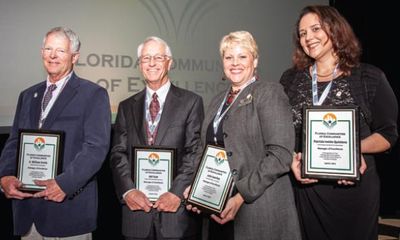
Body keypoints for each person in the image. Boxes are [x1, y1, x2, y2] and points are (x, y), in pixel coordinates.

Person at [280, 5, 398, 240]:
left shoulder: (369, 77)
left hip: (353, 191)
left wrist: (352, 150)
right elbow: (282, 134)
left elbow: (388, 134)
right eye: (303, 33)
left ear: (335, 30)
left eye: (315, 29)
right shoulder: (290, 79)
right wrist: (292, 158)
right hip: (306, 189)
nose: (308, 38)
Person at [185, 31, 301, 240]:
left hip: (259, 208)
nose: (235, 63)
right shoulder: (217, 100)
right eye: (229, 57)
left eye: (242, 56)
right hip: (216, 207)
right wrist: (196, 188)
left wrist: (240, 197)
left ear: (255, 60)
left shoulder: (269, 92)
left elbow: (280, 155)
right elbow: (206, 151)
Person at [0, 27, 111, 239]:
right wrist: (4, 175)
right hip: (27, 214)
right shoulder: (27, 95)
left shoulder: (93, 94)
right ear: (41, 52)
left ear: (74, 57)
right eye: (48, 49)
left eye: (60, 50)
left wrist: (65, 184)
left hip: (68, 211)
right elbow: (14, 141)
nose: (52, 55)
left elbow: (95, 148)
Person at [109, 36, 204, 240]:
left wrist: (176, 193)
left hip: (175, 216)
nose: (151, 63)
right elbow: (118, 153)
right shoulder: (126, 106)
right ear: (139, 64)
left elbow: (193, 152)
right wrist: (128, 191)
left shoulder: (191, 102)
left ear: (169, 62)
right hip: (136, 214)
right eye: (145, 58)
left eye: (158, 57)